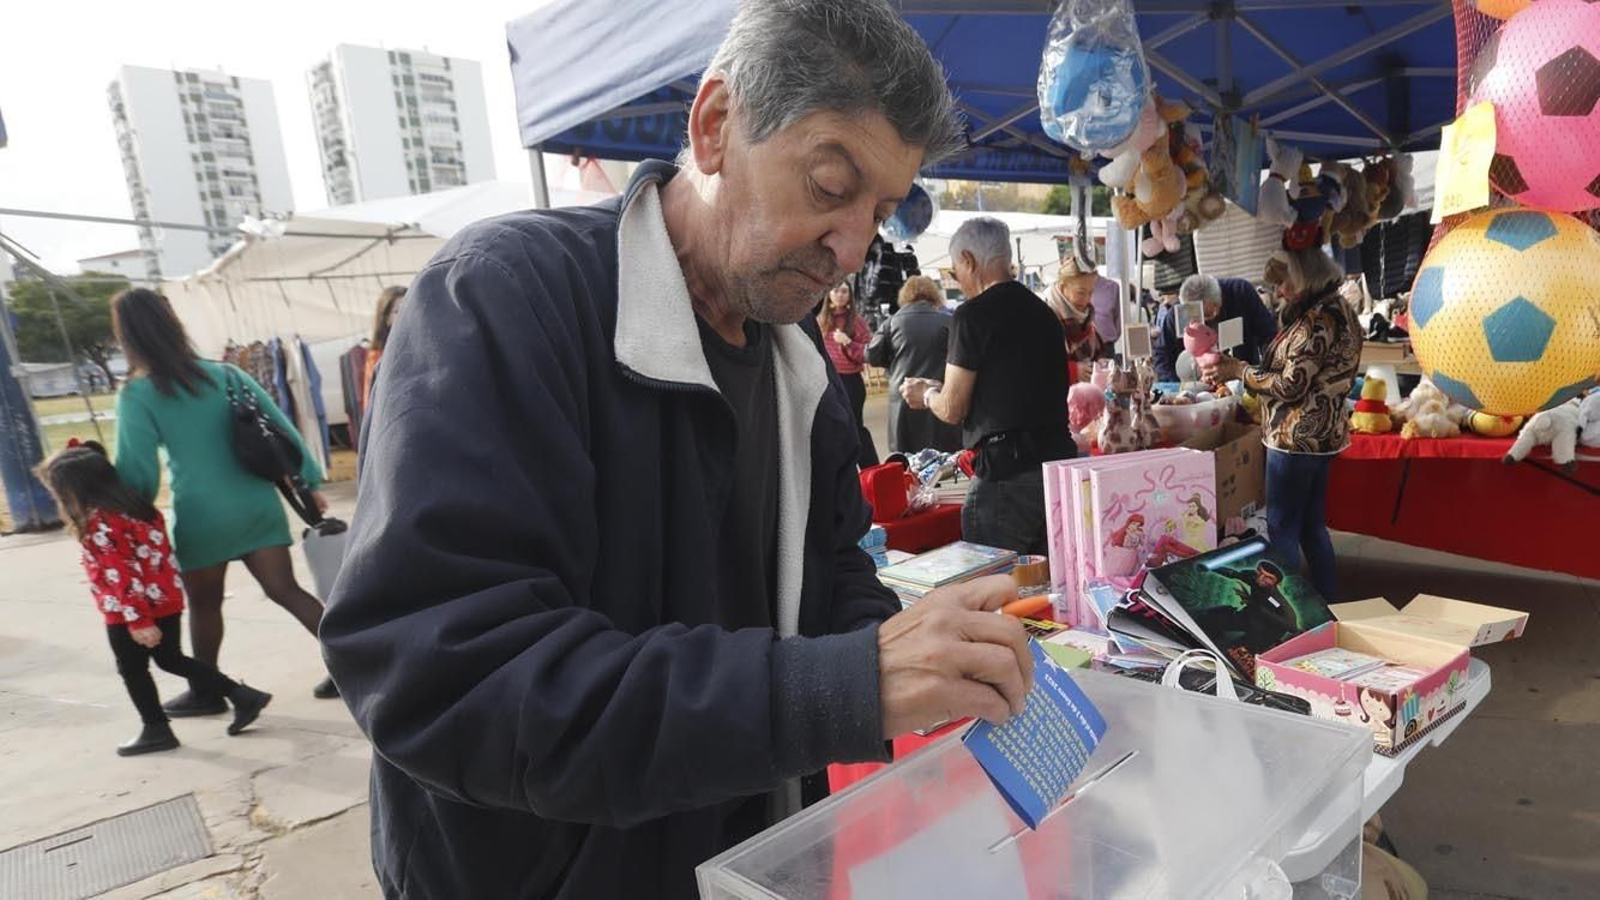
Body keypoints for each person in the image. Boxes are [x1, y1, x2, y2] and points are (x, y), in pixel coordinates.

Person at [319, 2, 1034, 897]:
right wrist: (845, 686)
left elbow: (833, 562)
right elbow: (447, 675)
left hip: (750, 859)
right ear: (715, 127)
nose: (852, 248)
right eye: (829, 185)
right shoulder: (504, 301)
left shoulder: (799, 359)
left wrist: (904, 650)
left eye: (881, 212)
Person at [110, 288, 337, 713]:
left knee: (205, 604)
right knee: (286, 590)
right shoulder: (226, 375)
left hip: (201, 516)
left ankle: (207, 691)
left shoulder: (137, 394)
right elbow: (281, 430)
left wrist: (118, 508)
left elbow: (139, 473)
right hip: (256, 503)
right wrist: (307, 482)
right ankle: (358, 663)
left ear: (128, 336)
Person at [37, 440, 272, 755]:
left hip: (129, 610)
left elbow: (123, 574)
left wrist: (137, 620)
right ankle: (242, 695)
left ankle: (156, 729)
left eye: (59, 491)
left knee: (132, 670)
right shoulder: (139, 508)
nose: (58, 497)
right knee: (170, 658)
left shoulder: (100, 524)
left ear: (78, 489)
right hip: (165, 599)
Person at [902, 216, 1074, 555]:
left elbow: (952, 408)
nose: (958, 279)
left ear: (968, 260)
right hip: (1056, 466)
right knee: (1047, 577)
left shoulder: (972, 315)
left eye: (955, 271)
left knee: (995, 580)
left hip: (1005, 474)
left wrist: (927, 393)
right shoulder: (1044, 313)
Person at [1202, 244, 1362, 601]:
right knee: (1311, 526)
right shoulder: (1340, 309)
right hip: (1325, 436)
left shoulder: (1317, 321)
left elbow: (1292, 385)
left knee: (1283, 528)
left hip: (1295, 437)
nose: (1279, 292)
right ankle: (1327, 601)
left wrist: (1240, 371)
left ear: (1305, 276)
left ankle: (1288, 610)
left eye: (1283, 283)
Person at [866, 275, 963, 453]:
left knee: (907, 457)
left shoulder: (891, 323)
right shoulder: (948, 321)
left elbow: (872, 356)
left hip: (903, 398)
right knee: (944, 456)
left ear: (905, 295)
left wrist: (892, 364)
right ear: (934, 295)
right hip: (937, 394)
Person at [1153, 274, 1279, 383]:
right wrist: (1177, 388)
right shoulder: (1178, 314)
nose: (1208, 320)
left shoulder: (1241, 292)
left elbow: (1269, 336)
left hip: (1243, 377)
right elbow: (1162, 356)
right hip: (1197, 385)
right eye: (1202, 316)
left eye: (1213, 311)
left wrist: (1266, 374)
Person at [817, 281, 879, 468]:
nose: (840, 295)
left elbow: (867, 354)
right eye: (836, 290)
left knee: (855, 427)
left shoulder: (857, 322)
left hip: (851, 381)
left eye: (845, 291)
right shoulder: (820, 321)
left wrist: (847, 342)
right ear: (829, 295)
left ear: (850, 295)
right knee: (833, 428)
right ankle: (843, 473)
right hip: (827, 381)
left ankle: (872, 471)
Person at [1044, 257, 1116, 369]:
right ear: (1063, 287)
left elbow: (1098, 353)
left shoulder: (1087, 319)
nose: (1086, 299)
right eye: (1080, 293)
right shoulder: (1045, 316)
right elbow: (1040, 362)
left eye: (1090, 293)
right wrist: (1073, 371)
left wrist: (1101, 364)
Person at [363, 285, 404, 404]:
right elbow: (371, 403)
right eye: (397, 311)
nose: (404, 315)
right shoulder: (377, 357)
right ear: (386, 318)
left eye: (408, 309)